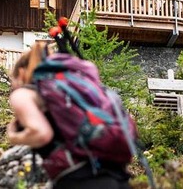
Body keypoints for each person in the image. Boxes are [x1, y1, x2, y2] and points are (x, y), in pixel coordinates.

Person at [7, 40, 131, 189]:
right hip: (116, 175)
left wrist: (14, 137)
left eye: (12, 81)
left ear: (21, 73)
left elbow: (41, 134)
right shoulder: (66, 93)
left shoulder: (24, 93)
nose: (13, 86)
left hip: (78, 179)